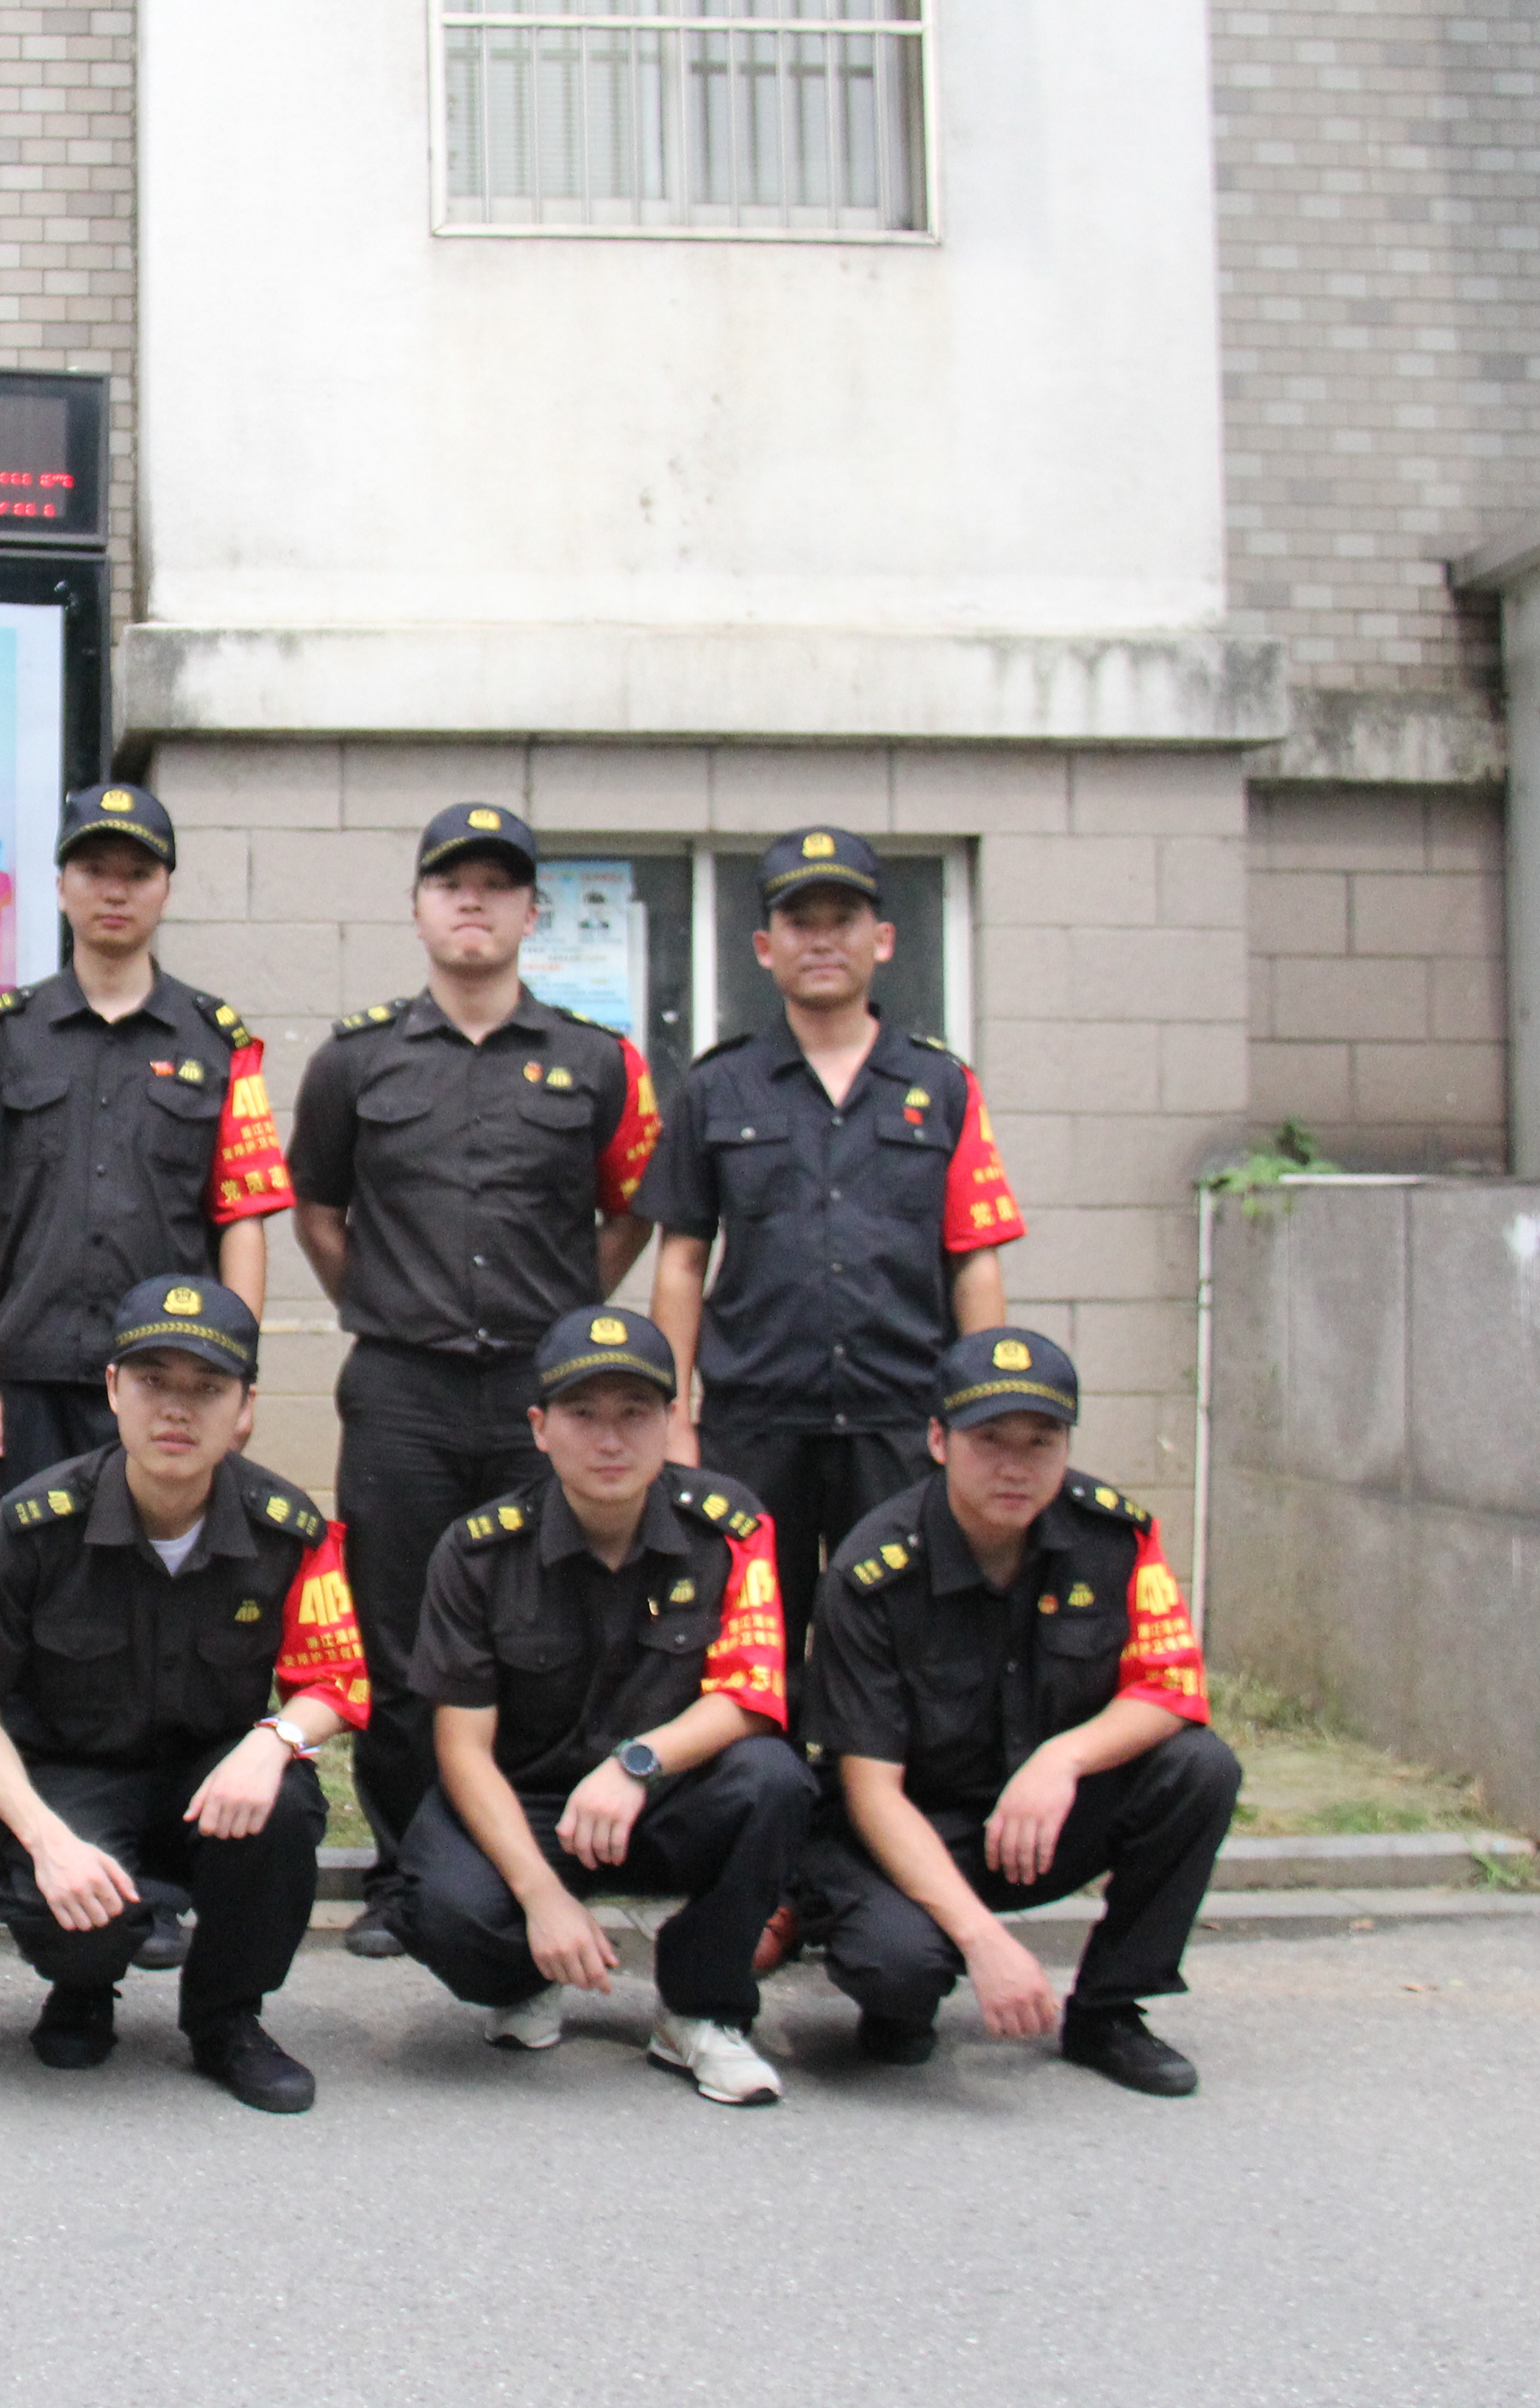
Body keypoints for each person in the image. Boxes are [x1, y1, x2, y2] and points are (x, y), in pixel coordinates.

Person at [289, 799, 661, 1961]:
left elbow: (630, 1213)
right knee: (400, 1641)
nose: (473, 903)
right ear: (417, 907)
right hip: (400, 1391)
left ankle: (532, 1857)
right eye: (453, 884)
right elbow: (318, 1211)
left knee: (543, 1626)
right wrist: (387, 1302)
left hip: (542, 1400)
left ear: (531, 912)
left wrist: (565, 1318)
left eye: (497, 886)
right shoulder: (356, 1061)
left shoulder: (596, 1062)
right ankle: (410, 1876)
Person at [0, 1274, 368, 2113]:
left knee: (283, 1807)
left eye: (207, 1389)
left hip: (212, 1778)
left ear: (245, 1408)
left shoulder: (286, 1528)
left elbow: (333, 1681)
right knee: (63, 1905)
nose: (176, 1410)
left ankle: (227, 2019)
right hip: (74, 1775)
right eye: (154, 1382)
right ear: (113, 1390)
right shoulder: (33, 1526)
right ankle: (82, 1988)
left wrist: (274, 1742)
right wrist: (45, 1839)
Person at [796, 1327, 1238, 2096]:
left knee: (1200, 1767)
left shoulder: (1116, 1538)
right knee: (898, 1971)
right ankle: (905, 1994)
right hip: (911, 1829)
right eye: (989, 1439)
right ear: (939, 1441)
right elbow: (870, 1792)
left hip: (1038, 1822)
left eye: (1041, 1442)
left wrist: (1062, 1760)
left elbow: (1172, 1688)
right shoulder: (874, 1572)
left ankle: (1109, 2012)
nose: (1015, 1465)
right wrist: (984, 1940)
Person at [391, 1304, 809, 2106]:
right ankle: (530, 1974)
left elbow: (752, 1696)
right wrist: (541, 1898)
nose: (610, 1440)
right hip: (531, 1805)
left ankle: (700, 2009)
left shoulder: (731, 1526)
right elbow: (462, 1749)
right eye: (583, 1415)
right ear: (540, 1429)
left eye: (634, 1413)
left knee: (774, 1779)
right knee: (443, 1913)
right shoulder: (479, 1551)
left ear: (671, 1422)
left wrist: (637, 1765)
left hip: (669, 1796)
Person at [638, 824, 1024, 1600]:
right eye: (799, 922)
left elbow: (974, 1260)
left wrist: (983, 1417)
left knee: (899, 1627)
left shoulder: (941, 1087)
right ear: (764, 946)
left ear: (882, 940)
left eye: (843, 920)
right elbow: (682, 1261)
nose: (821, 941)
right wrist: (674, 1420)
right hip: (754, 1425)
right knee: (750, 1627)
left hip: (903, 1422)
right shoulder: (718, 1087)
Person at [0, 781, 293, 1497]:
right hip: (29, 1378)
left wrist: (239, 1373)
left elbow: (243, 1219)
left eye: (137, 873)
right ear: (60, 888)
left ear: (166, 891)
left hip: (171, 1377)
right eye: (93, 870)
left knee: (164, 1562)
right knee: (31, 1562)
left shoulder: (217, 1041)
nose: (114, 891)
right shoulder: (6, 1036)